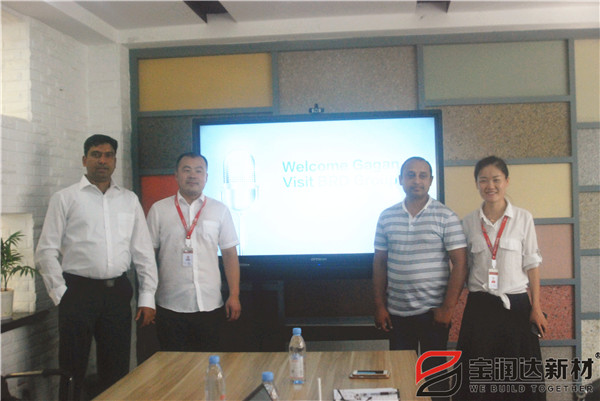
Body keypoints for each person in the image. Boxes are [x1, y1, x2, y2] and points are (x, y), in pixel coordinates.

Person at [36, 134, 158, 400]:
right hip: (77, 292)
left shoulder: (129, 200)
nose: (102, 160)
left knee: (117, 368)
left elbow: (143, 252)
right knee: (72, 367)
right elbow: (46, 250)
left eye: (108, 155)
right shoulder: (65, 198)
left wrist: (147, 297)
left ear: (115, 161)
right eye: (96, 155)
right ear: (84, 160)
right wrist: (61, 294)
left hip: (117, 293)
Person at [455, 156, 548, 400]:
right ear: (477, 184)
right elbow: (464, 266)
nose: (490, 186)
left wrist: (536, 307)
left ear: (506, 181)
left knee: (517, 377)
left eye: (496, 180)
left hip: (516, 306)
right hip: (480, 306)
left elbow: (532, 264)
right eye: (483, 180)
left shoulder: (523, 218)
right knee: (479, 377)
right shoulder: (468, 222)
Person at [373, 156, 468, 362]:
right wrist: (380, 306)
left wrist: (448, 309)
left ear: (431, 180)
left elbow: (461, 263)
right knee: (401, 373)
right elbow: (379, 263)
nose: (417, 180)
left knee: (434, 376)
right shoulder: (386, 216)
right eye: (411, 175)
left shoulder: (446, 216)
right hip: (396, 313)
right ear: (400, 179)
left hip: (434, 313)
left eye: (423, 176)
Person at [146, 152, 241, 352]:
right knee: (173, 365)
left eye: (198, 171)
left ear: (206, 177)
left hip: (210, 304)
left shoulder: (220, 210)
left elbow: (230, 255)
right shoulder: (159, 210)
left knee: (209, 363)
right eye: (186, 170)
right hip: (170, 304)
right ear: (176, 175)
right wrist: (147, 298)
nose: (192, 175)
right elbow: (148, 257)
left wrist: (234, 295)